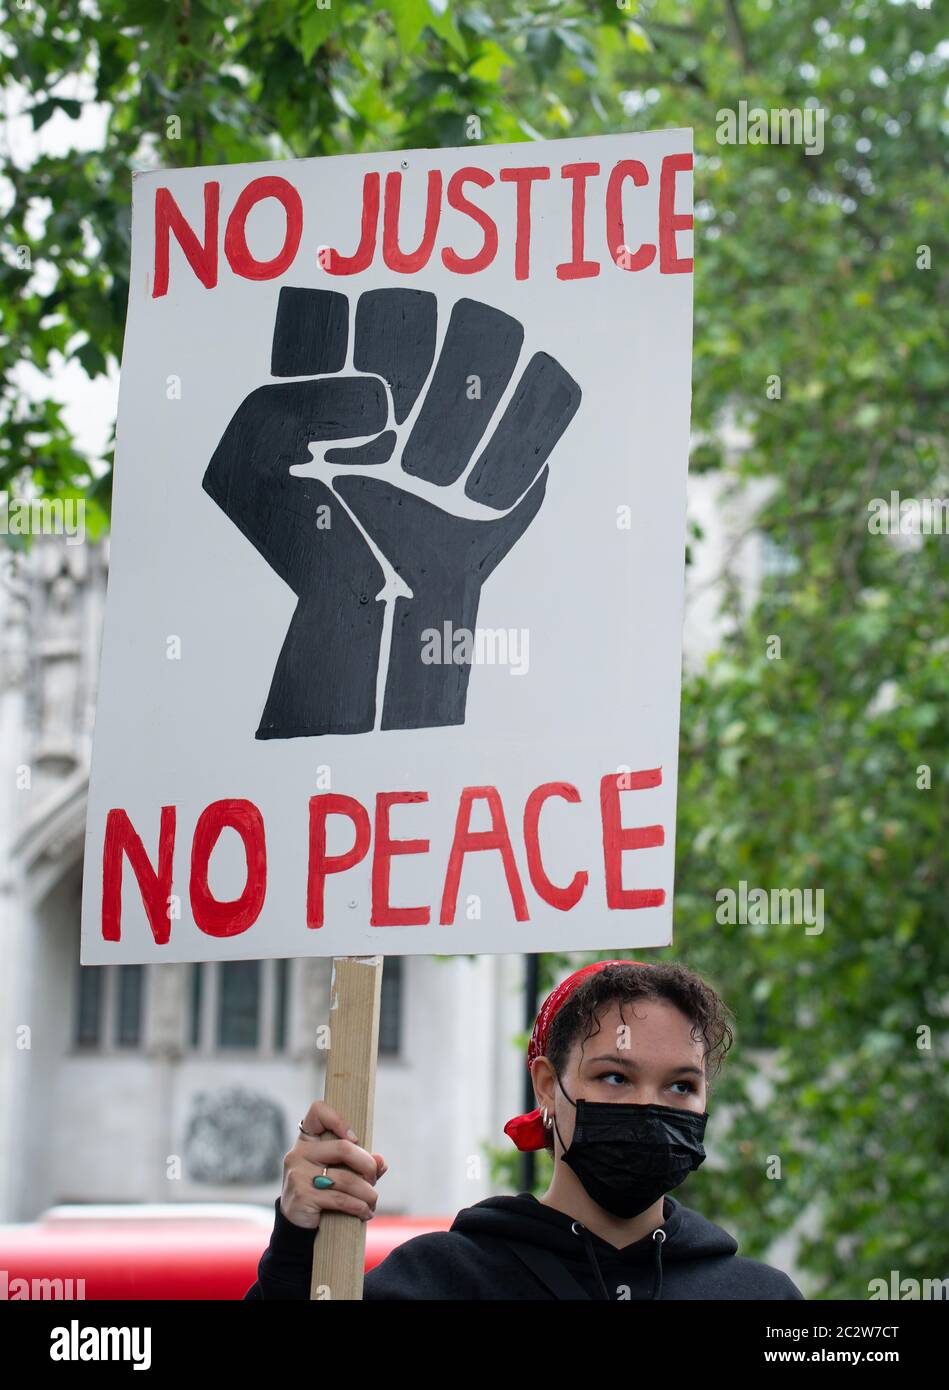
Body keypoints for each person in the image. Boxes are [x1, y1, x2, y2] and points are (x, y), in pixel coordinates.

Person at [243, 959, 805, 1300]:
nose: (646, 1105)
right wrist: (297, 1248)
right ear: (545, 1087)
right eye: (613, 1076)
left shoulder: (762, 1297)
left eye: (682, 1086)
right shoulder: (438, 1282)